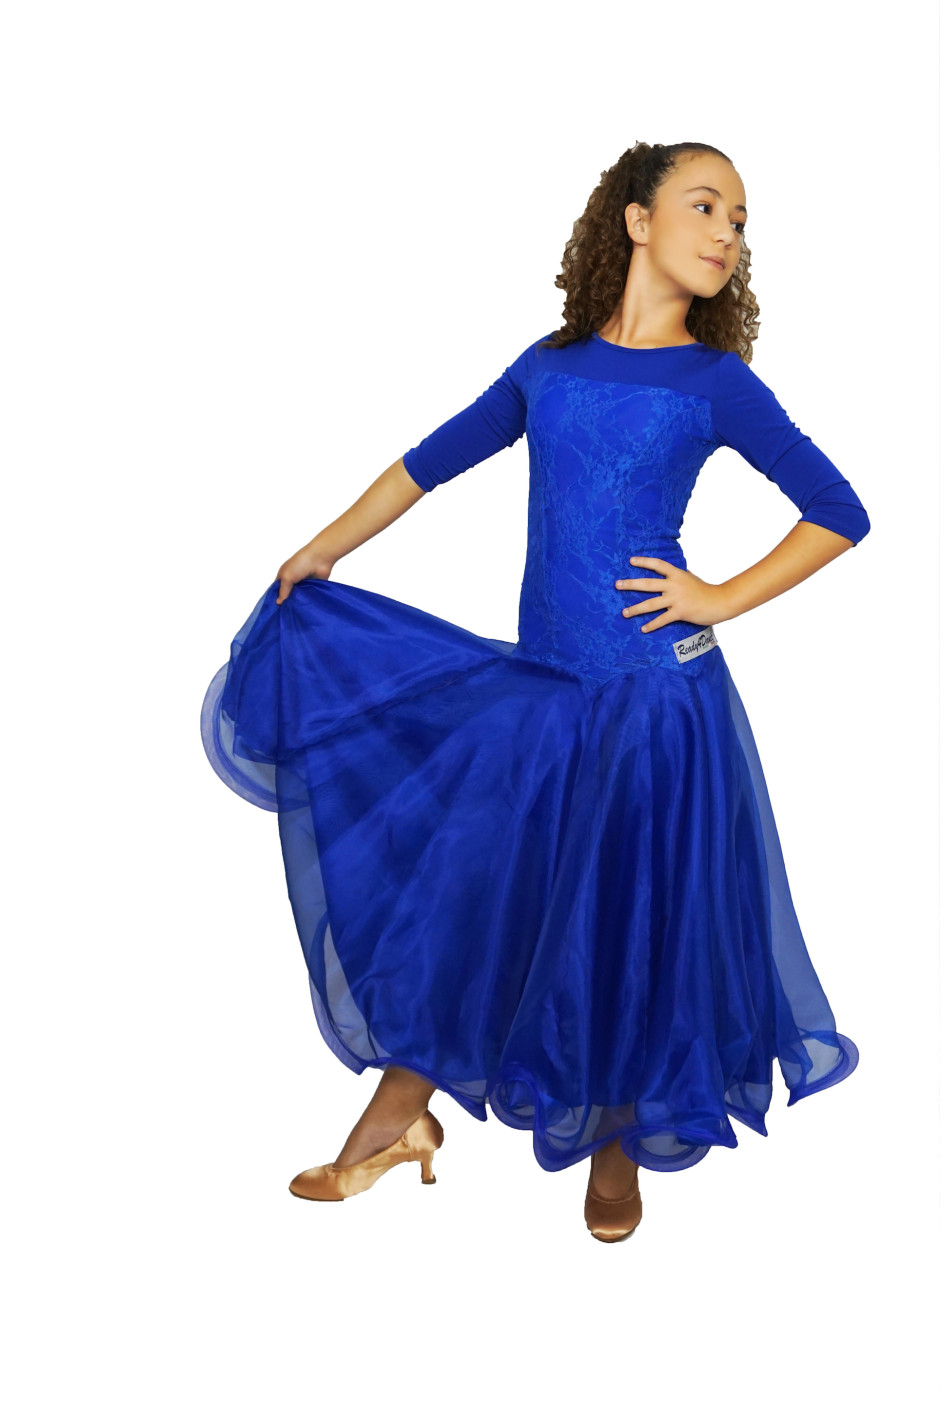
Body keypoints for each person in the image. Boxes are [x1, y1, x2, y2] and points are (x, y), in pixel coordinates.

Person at [201, 140, 870, 1243]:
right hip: (544, 696)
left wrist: (716, 595)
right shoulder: (548, 368)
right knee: (479, 892)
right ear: (636, 220)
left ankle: (613, 1144)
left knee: (625, 921)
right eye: (706, 206)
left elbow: (839, 512)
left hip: (655, 707)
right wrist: (323, 547)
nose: (727, 234)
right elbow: (425, 463)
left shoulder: (714, 384)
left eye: (741, 221)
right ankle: (399, 1115)